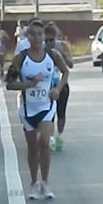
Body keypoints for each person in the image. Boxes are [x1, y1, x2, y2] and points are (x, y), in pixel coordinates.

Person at [5, 19, 69, 200]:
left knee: (44, 142)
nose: (37, 37)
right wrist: (29, 84)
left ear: (43, 36)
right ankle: (34, 183)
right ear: (28, 36)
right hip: (27, 109)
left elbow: (66, 72)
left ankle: (45, 183)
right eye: (33, 34)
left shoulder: (53, 55)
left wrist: (57, 89)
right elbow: (9, 84)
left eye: (40, 34)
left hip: (46, 106)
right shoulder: (21, 58)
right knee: (32, 148)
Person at [44, 22, 73, 152]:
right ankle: (50, 140)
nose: (49, 43)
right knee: (49, 115)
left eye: (52, 40)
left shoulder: (62, 47)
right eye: (46, 40)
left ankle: (60, 136)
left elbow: (70, 66)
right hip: (46, 87)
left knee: (61, 114)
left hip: (61, 84)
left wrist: (64, 56)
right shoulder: (40, 50)